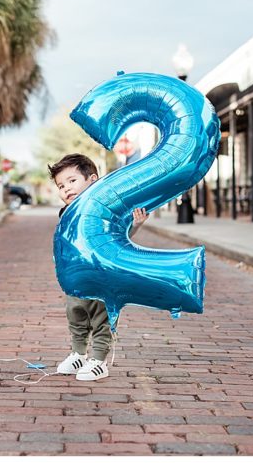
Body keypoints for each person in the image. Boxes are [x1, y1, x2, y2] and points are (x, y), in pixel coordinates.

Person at [48, 153, 148, 381]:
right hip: (75, 279)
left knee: (100, 317)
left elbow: (117, 238)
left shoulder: (104, 210)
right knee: (76, 314)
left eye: (72, 181)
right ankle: (78, 353)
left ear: (92, 179)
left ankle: (99, 360)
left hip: (101, 277)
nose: (66, 189)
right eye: (61, 185)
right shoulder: (66, 213)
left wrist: (135, 225)